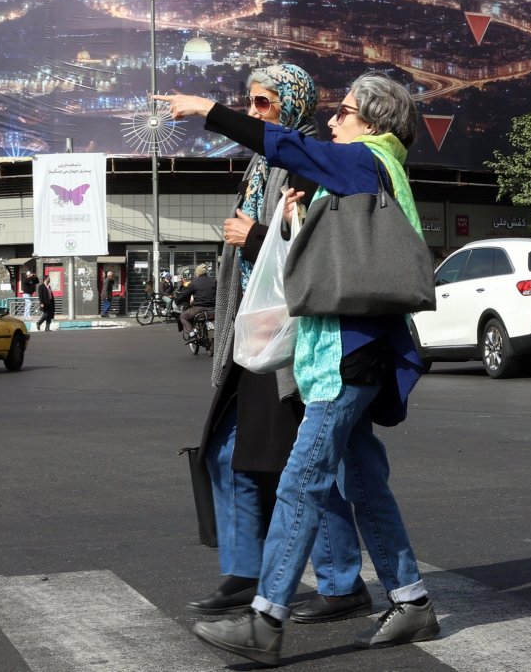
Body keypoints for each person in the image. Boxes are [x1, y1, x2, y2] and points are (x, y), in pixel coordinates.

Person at [158, 72, 438, 665]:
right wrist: (291, 224)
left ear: (372, 122)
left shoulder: (363, 159)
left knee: (299, 481)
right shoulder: (372, 169)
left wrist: (208, 110)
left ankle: (265, 619)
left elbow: (282, 144)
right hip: (359, 352)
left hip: (346, 355)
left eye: (344, 111)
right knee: (362, 482)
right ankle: (410, 600)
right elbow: (336, 257)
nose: (333, 121)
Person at [189, 63, 369, 624]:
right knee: (228, 451)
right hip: (254, 331)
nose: (254, 113)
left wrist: (257, 235)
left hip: (295, 337)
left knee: (307, 465)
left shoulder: (310, 160)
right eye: (250, 102)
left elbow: (324, 252)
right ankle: (245, 572)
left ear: (293, 102)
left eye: (264, 103)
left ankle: (342, 581)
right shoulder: (261, 166)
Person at [177, 263, 217, 343]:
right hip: (213, 309)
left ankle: (192, 334)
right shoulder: (214, 281)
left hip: (199, 309)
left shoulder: (194, 282)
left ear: (197, 272)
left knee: (183, 317)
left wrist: (177, 301)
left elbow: (185, 294)